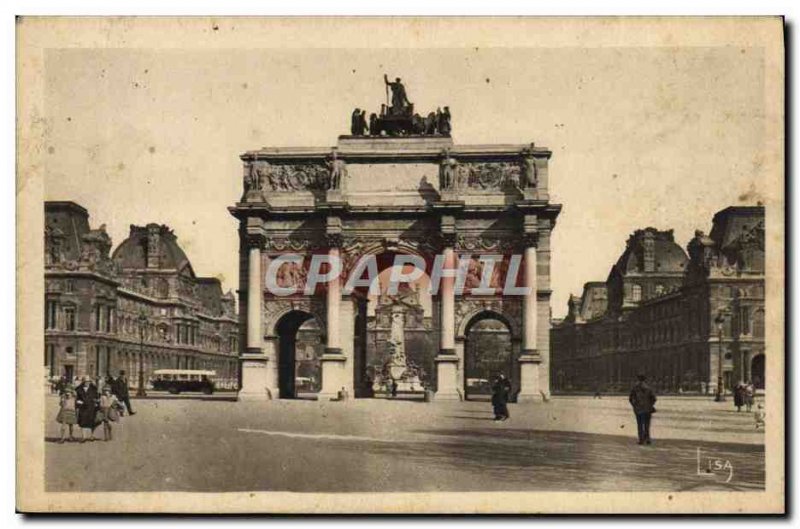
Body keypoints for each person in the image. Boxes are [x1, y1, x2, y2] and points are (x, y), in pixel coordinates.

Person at [629, 374, 657, 445]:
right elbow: (654, 398)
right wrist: (650, 405)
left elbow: (630, 399)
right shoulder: (648, 388)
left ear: (638, 379)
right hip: (648, 409)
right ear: (645, 379)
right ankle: (647, 439)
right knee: (647, 425)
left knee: (640, 424)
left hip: (638, 409)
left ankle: (641, 439)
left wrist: (634, 405)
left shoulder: (635, 388)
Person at [75, 376, 99, 442]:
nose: (87, 383)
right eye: (85, 381)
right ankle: (83, 437)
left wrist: (96, 402)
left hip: (92, 407)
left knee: (92, 422)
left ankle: (92, 436)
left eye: (88, 381)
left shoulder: (94, 389)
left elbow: (97, 397)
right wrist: (78, 401)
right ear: (83, 381)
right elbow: (76, 398)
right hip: (83, 407)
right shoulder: (78, 389)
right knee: (82, 422)